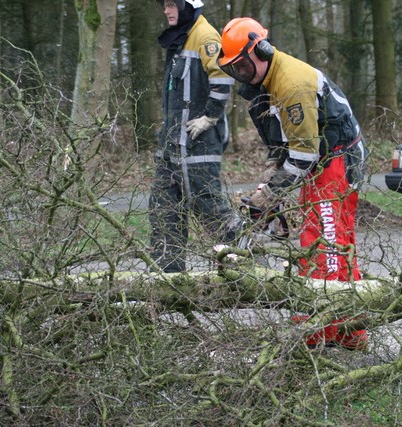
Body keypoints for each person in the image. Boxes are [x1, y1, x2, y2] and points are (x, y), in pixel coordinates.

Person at [217, 17, 368, 350]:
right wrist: (269, 188)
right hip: (319, 158)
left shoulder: (292, 82)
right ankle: (350, 330)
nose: (241, 73)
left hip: (335, 159)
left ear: (262, 49)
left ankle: (314, 331)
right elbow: (279, 146)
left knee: (324, 242)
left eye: (243, 64)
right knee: (334, 240)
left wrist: (271, 193)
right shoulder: (262, 87)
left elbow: (302, 155)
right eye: (234, 69)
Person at [149, 0, 242, 273]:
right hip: (171, 144)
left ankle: (246, 265)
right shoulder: (182, 38)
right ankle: (167, 279)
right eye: (164, 5)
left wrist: (210, 116)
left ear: (187, 4)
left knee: (209, 207)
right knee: (164, 209)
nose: (166, 11)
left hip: (198, 143)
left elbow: (223, 78)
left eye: (171, 4)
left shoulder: (205, 36)